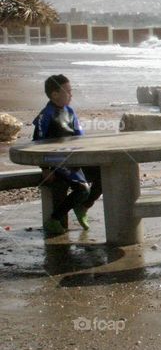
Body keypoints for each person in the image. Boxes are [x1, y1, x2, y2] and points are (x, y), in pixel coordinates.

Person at [32, 74, 102, 235]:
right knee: (83, 189)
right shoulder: (46, 115)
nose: (71, 95)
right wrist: (45, 169)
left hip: (73, 159)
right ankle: (54, 219)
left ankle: (83, 206)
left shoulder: (70, 111)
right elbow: (37, 143)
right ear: (55, 94)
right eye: (68, 91)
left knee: (103, 173)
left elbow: (79, 136)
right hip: (56, 161)